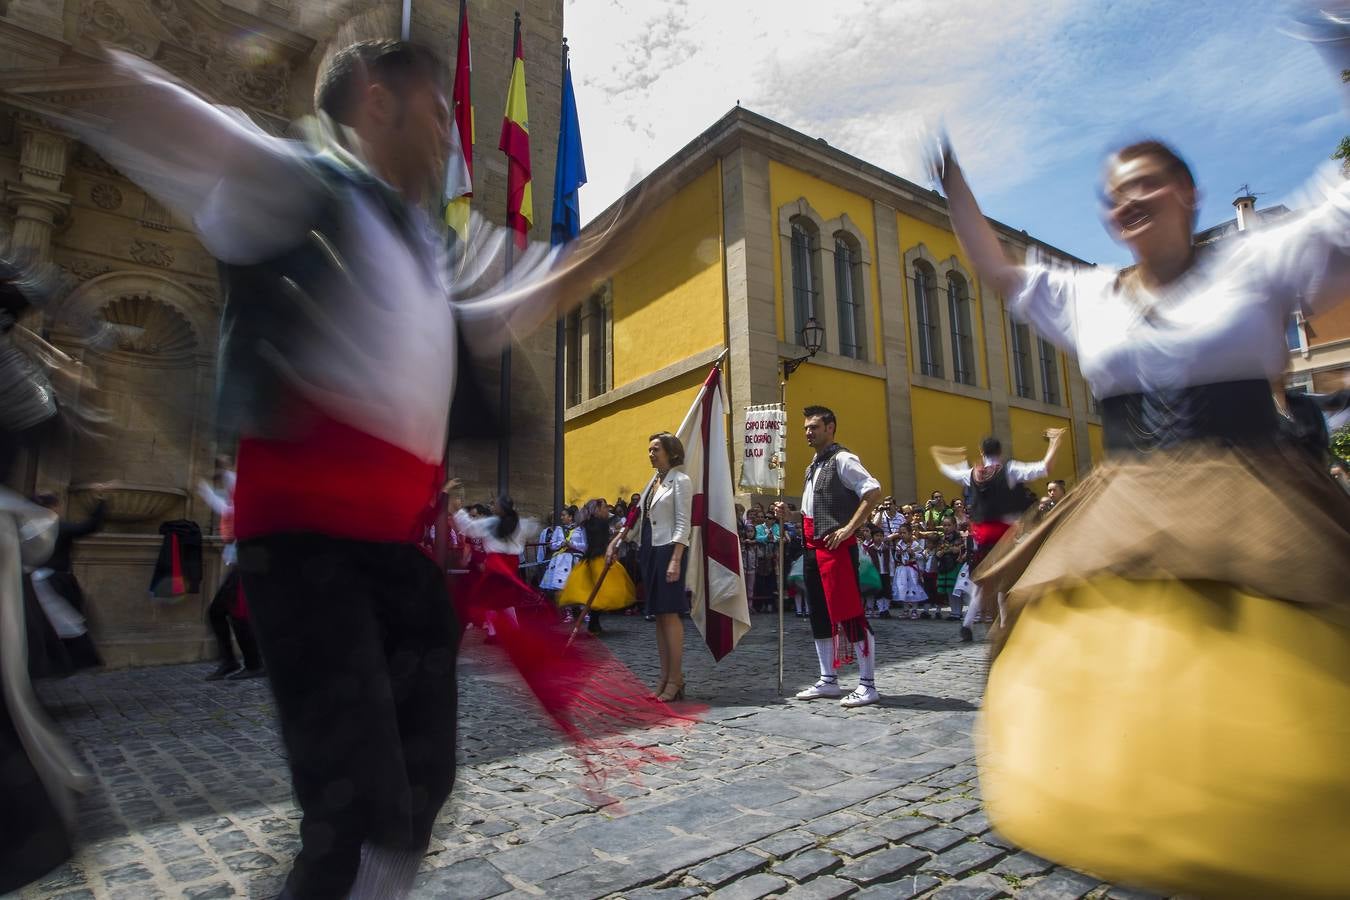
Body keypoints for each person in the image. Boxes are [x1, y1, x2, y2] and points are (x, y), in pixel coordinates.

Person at [65, 38, 651, 899]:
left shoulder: (423, 243)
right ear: (378, 102)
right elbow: (145, 100)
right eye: (438, 114)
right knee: (355, 804)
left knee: (423, 784)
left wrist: (596, 256)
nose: (451, 139)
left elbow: (495, 312)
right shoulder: (287, 181)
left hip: (401, 554)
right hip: (306, 548)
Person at [930, 15, 1350, 894]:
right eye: (1117, 193)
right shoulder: (1086, 297)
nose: (1130, 202)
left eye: (1149, 185)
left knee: (1279, 720)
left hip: (1253, 493)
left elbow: (1341, 206)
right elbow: (1001, 277)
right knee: (1115, 735)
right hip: (1123, 503)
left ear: (1189, 195)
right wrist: (954, 186)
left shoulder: (1256, 258)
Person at [773, 406, 883, 708]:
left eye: (814, 427)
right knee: (819, 615)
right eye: (806, 428)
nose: (808, 433)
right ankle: (828, 679)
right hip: (811, 548)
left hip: (835, 551)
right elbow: (810, 514)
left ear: (831, 428)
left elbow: (873, 492)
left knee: (848, 614)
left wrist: (849, 529)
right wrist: (791, 515)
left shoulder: (843, 459)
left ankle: (868, 684)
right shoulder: (813, 464)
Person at [933, 432, 1063, 641]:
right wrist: (1055, 442)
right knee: (1004, 582)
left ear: (981, 451)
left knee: (983, 584)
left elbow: (950, 473)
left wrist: (941, 458)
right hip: (1004, 534)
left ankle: (970, 625)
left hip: (981, 536)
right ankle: (1002, 625)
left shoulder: (973, 473)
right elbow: (1043, 468)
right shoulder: (1009, 470)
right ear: (1000, 452)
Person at [615, 432, 692, 701]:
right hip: (649, 549)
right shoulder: (652, 484)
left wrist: (676, 558)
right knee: (659, 615)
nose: (650, 453)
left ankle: (676, 678)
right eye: (649, 449)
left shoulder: (680, 481)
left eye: (656, 449)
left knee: (670, 614)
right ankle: (664, 677)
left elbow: (683, 522)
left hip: (669, 549)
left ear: (671, 452)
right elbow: (640, 521)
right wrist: (619, 538)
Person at [27, 491, 106, 676]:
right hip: (53, 583)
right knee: (67, 625)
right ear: (52, 507)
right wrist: (101, 502)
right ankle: (58, 665)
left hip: (30, 582)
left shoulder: (26, 527)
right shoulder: (54, 526)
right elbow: (89, 526)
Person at [197, 463, 264, 681]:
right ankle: (232, 662)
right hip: (239, 563)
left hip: (247, 564)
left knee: (235, 614)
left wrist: (211, 485)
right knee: (219, 612)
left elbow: (232, 508)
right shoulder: (239, 502)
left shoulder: (249, 502)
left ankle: (252, 664)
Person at [558, 498, 635, 634]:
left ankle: (594, 623)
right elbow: (602, 541)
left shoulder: (587, 523)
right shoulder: (601, 523)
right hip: (600, 559)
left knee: (594, 593)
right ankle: (594, 624)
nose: (606, 510)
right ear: (597, 509)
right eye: (604, 507)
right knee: (600, 592)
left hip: (588, 559)